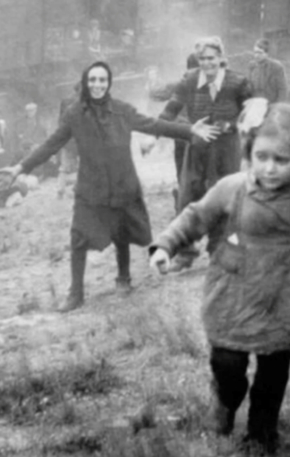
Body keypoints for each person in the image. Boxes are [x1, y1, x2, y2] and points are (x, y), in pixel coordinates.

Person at [149, 102, 290, 456]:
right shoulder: (232, 187)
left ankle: (261, 435)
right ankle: (226, 398)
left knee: (273, 369)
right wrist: (165, 246)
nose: (270, 167)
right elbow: (195, 217)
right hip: (235, 294)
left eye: (282, 160)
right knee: (227, 361)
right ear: (250, 152)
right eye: (261, 157)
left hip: (289, 296)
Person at [0, 61, 215, 312]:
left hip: (122, 182)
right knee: (78, 236)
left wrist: (189, 130)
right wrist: (20, 168)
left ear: (109, 83)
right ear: (85, 82)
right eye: (92, 80)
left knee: (121, 232)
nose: (97, 85)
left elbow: (154, 125)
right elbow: (51, 144)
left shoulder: (121, 110)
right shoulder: (74, 114)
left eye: (102, 80)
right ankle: (76, 293)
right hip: (90, 186)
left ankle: (123, 278)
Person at [158, 36, 253, 271]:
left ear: (221, 58)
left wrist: (230, 125)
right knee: (187, 196)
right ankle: (185, 253)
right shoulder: (189, 80)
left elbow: (252, 114)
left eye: (211, 58)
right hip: (197, 145)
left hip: (226, 148)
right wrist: (153, 135)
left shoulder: (238, 82)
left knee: (224, 197)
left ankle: (218, 250)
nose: (206, 63)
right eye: (202, 59)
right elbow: (170, 109)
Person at [247, 38, 288, 103]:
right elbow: (249, 87)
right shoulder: (251, 66)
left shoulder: (276, 67)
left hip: (271, 103)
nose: (256, 55)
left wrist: (279, 105)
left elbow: (282, 89)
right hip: (255, 103)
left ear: (267, 53)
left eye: (260, 53)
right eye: (255, 52)